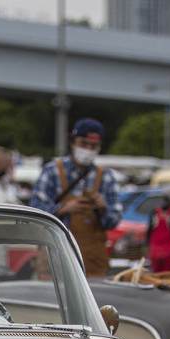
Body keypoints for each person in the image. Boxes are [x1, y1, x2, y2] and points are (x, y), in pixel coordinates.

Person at [29, 118, 122, 277]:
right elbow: (35, 212)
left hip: (92, 263)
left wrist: (102, 208)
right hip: (55, 258)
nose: (88, 149)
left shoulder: (106, 176)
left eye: (93, 146)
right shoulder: (53, 171)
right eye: (83, 144)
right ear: (72, 143)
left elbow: (113, 221)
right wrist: (65, 208)